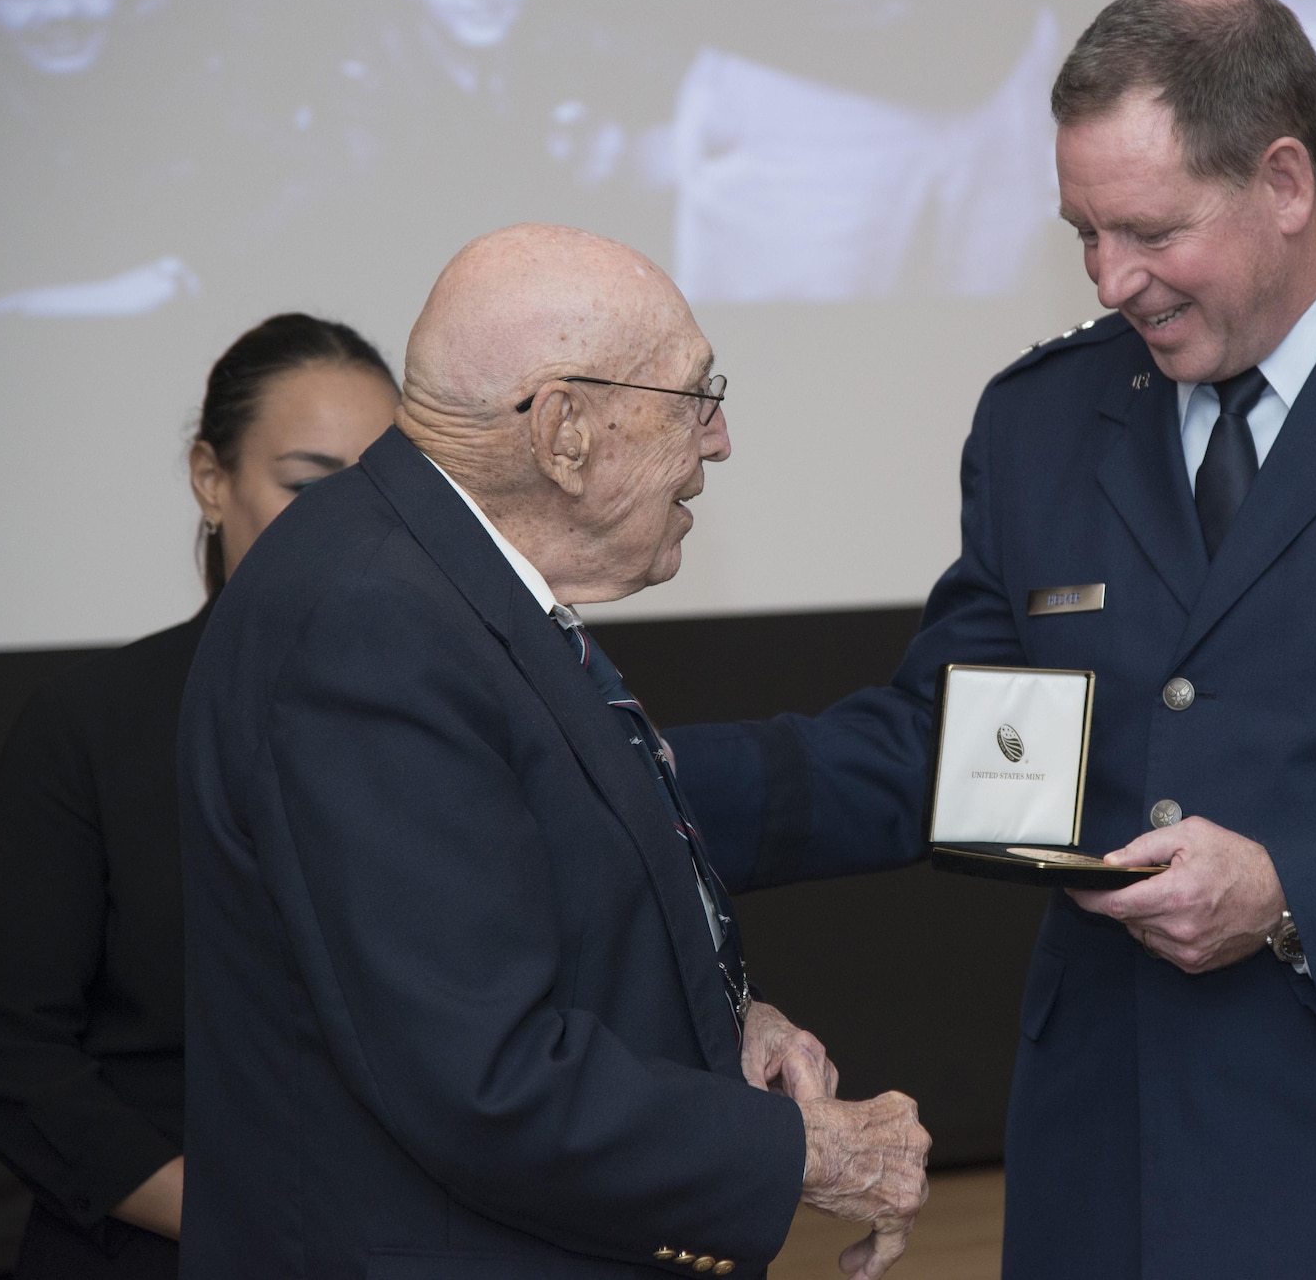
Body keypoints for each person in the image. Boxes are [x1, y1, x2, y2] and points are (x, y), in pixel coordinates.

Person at [664, 0, 1316, 1279]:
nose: (1112, 279)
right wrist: (638, 784)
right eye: (1083, 232)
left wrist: (1292, 892)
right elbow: (966, 747)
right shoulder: (1045, 416)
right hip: (1122, 1158)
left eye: (1149, 229)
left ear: (1283, 181)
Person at [177, 224, 931, 1279]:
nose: (718, 442)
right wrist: (800, 1152)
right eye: (693, 399)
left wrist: (725, 1026)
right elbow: (478, 1075)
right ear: (564, 430)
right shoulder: (370, 626)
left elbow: (526, 915)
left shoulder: (435, 577)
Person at [0, 313, 401, 1279]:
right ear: (210, 478)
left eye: (380, 490)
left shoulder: (444, 723)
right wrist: (244, 1222)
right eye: (308, 484)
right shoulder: (91, 724)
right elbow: (4, 1054)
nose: (347, 523)